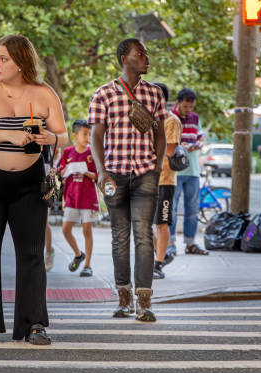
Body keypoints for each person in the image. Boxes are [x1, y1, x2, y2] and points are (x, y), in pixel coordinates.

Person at [0, 34, 68, 344]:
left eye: (3, 59)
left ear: (21, 62)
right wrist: (10, 137)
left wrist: (51, 138)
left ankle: (34, 323)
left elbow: (63, 135)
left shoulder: (44, 93)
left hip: (29, 182)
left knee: (32, 253)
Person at [88, 38, 166, 322]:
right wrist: (101, 171)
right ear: (124, 59)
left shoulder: (155, 93)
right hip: (114, 174)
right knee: (120, 238)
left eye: (145, 53)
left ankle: (144, 303)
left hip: (145, 173)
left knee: (144, 236)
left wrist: (156, 168)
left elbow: (160, 134)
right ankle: (123, 299)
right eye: (139, 54)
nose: (146, 57)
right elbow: (96, 136)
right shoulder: (103, 94)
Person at [168, 88, 209, 256]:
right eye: (185, 106)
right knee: (172, 207)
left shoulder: (195, 118)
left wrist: (199, 144)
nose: (188, 110)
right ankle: (170, 243)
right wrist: (180, 146)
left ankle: (190, 243)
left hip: (192, 170)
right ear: (178, 103)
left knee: (192, 208)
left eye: (190, 106)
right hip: (175, 171)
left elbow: (201, 137)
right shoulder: (171, 118)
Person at [59, 119, 99, 278]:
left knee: (87, 230)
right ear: (75, 135)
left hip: (88, 198)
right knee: (66, 229)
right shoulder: (68, 152)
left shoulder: (92, 153)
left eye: (89, 134)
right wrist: (68, 169)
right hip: (71, 197)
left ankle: (88, 265)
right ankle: (78, 254)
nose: (87, 137)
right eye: (84, 134)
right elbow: (61, 172)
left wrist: (86, 173)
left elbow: (98, 175)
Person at [151, 83, 181, 280]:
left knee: (162, 223)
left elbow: (169, 151)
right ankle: (160, 255)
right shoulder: (145, 119)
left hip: (164, 179)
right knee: (144, 224)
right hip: (145, 177)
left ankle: (159, 263)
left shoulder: (171, 121)